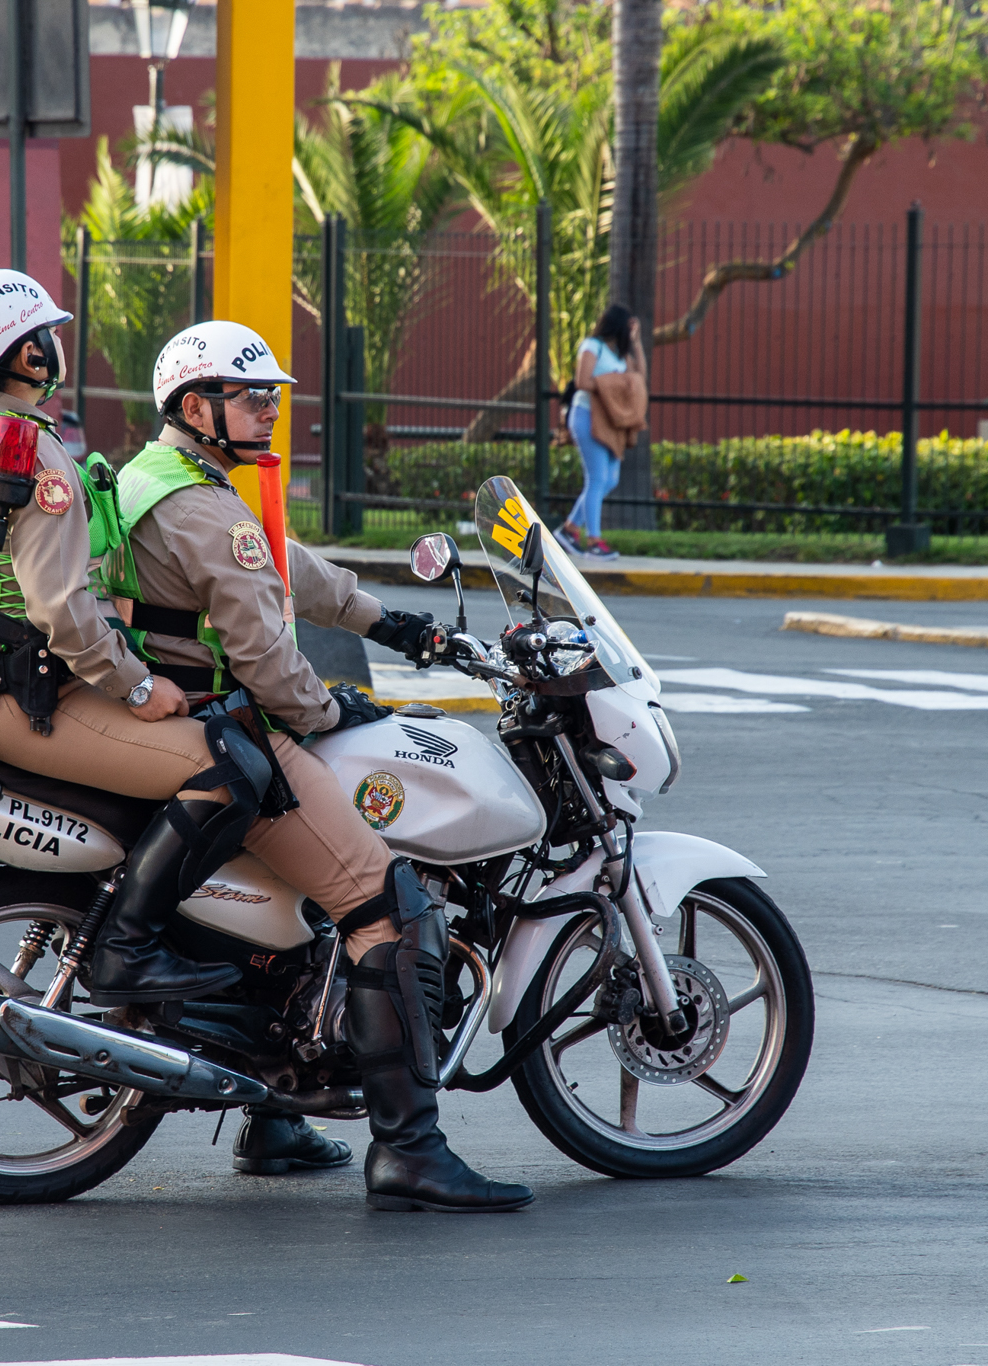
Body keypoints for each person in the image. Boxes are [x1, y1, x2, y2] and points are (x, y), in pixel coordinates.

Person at [0, 272, 346, 1179]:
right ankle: (129, 949)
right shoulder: (34, 447)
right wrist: (137, 683)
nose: (55, 346)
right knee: (232, 766)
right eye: (46, 335)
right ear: (26, 353)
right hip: (32, 689)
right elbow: (59, 606)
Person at [107, 319, 536, 1214]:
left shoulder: (163, 479)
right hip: (232, 724)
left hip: (186, 714)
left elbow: (287, 569)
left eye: (272, 394)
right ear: (197, 407)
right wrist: (332, 708)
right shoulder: (203, 508)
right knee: (385, 906)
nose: (271, 409)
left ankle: (275, 1118)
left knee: (303, 912)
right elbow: (267, 658)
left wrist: (397, 625)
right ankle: (411, 1149)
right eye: (251, 395)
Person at [556, 304, 645, 562]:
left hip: (610, 421)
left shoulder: (620, 355)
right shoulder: (592, 346)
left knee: (610, 480)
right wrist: (613, 385)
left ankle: (569, 530)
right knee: (596, 479)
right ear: (618, 326)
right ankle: (594, 541)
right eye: (628, 327)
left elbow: (639, 378)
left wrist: (637, 343)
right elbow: (582, 381)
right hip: (586, 416)